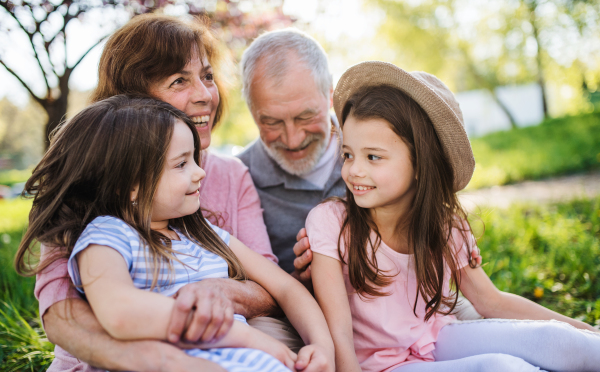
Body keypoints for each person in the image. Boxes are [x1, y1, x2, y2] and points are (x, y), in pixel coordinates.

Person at [25, 15, 288, 372]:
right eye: (180, 80)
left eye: (207, 76)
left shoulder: (229, 174)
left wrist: (220, 292)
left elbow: (271, 287)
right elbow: (60, 311)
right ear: (132, 101)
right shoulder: (83, 176)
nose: (205, 95)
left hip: (222, 342)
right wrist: (156, 359)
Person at [307, 61, 600, 372]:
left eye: (373, 157)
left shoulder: (444, 226)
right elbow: (337, 332)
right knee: (499, 368)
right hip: (380, 366)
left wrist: (589, 331)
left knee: (558, 340)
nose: (354, 170)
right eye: (348, 154)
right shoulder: (332, 222)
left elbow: (492, 302)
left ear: (420, 164)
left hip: (435, 338)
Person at [19, 95, 334, 372]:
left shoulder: (204, 235)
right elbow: (119, 312)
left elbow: (286, 290)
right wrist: (242, 335)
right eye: (181, 164)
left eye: (194, 159)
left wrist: (321, 346)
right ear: (129, 185)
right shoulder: (108, 237)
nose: (200, 172)